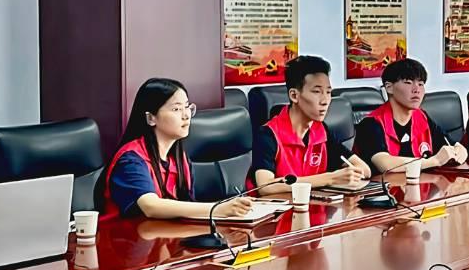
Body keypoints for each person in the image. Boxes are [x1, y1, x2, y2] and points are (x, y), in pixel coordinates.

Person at [103, 78, 253, 220]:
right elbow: (150, 206)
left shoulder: (178, 158)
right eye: (176, 109)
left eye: (187, 107)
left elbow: (186, 203)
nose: (186, 115)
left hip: (166, 238)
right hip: (126, 241)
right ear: (151, 118)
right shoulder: (131, 159)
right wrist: (217, 209)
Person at [252, 55, 371, 195]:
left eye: (328, 92)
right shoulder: (268, 134)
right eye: (316, 92)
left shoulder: (321, 131)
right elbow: (266, 186)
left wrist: (351, 173)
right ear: (294, 96)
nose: (325, 101)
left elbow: (364, 169)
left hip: (317, 209)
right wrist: (330, 179)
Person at [353, 58, 468, 174]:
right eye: (408, 82)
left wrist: (459, 152)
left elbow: (453, 145)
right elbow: (385, 164)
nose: (416, 90)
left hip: (420, 186)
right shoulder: (371, 124)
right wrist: (434, 161)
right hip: (385, 190)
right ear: (389, 87)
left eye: (421, 84)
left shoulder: (422, 117)